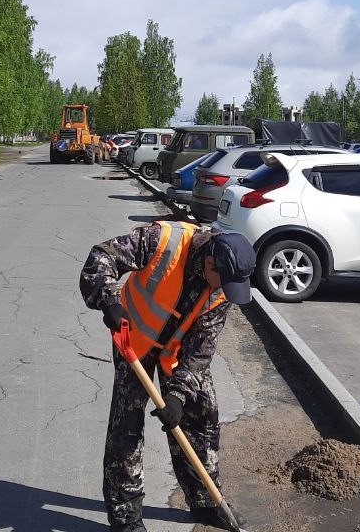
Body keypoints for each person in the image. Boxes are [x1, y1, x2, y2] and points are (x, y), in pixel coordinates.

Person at [80, 221, 257, 532]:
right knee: (127, 428)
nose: (222, 290)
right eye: (222, 281)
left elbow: (202, 348)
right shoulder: (161, 241)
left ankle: (205, 501)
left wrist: (177, 395)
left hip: (174, 352)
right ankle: (126, 518)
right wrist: (109, 301)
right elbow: (101, 258)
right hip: (133, 341)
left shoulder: (222, 288)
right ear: (209, 262)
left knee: (201, 416)